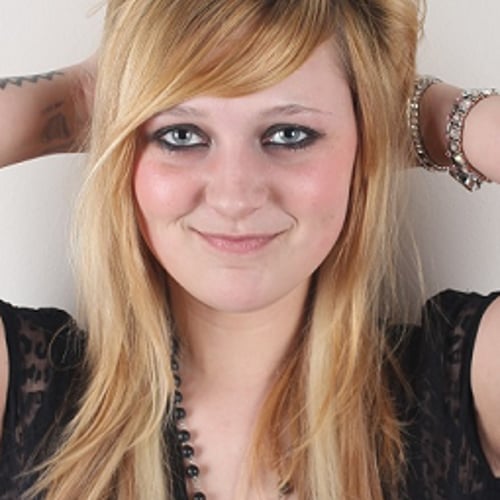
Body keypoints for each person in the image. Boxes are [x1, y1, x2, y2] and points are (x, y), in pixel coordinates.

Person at [0, 1, 499, 499]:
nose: (234, 196)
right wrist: (85, 99)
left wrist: (419, 115)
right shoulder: (31, 396)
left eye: (289, 134)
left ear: (362, 142)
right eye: (181, 134)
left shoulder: (458, 387)